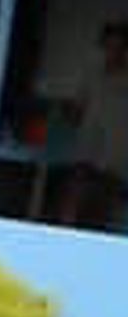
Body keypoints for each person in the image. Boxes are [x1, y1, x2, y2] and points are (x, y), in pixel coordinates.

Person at [61, 22, 128, 233]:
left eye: (118, 48)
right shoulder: (92, 73)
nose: (112, 53)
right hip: (87, 149)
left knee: (104, 212)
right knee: (73, 201)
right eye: (108, 47)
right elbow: (77, 108)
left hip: (115, 159)